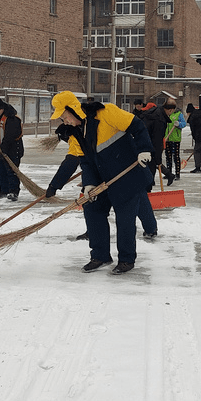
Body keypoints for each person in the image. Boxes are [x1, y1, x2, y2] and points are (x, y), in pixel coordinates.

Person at [50, 91, 154, 274]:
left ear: (73, 110)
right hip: (101, 180)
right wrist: (88, 183)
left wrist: (144, 149)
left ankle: (126, 259)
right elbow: (86, 161)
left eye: (65, 117)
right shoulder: (75, 133)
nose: (64, 121)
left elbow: (137, 126)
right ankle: (100, 255)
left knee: (125, 219)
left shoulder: (106, 113)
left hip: (127, 177)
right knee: (92, 211)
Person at [162, 98, 186, 181]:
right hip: (167, 138)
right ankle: (169, 173)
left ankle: (177, 173)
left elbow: (184, 123)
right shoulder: (165, 114)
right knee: (168, 157)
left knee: (176, 157)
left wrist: (179, 124)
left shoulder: (179, 114)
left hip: (175, 139)